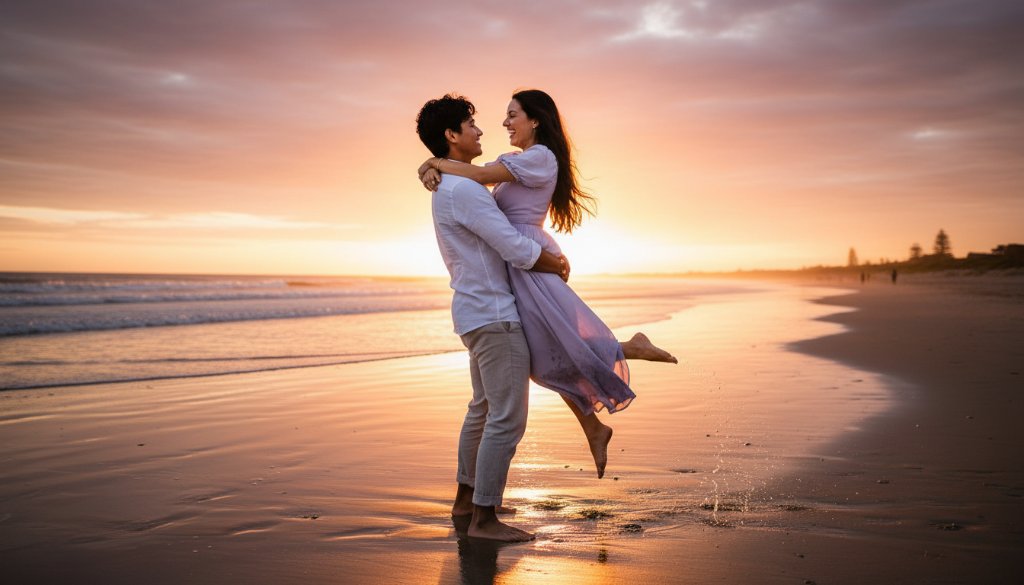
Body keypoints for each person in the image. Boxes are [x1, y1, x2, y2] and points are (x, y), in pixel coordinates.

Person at [418, 89, 676, 481]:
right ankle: (597, 416)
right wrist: (430, 165)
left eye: (512, 115)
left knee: (549, 349)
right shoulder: (515, 163)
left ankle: (623, 359)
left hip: (530, 258)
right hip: (520, 261)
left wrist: (432, 162)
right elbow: (476, 177)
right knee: (544, 352)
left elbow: (480, 176)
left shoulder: (538, 158)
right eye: (497, 118)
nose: (503, 123)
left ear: (535, 119)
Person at [415, 94, 570, 542]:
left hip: (474, 311)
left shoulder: (450, 184)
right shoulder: (465, 189)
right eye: (471, 125)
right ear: (452, 136)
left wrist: (431, 164)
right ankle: (485, 517)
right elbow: (515, 248)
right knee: (507, 416)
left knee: (482, 410)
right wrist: (554, 264)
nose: (481, 131)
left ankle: (467, 501)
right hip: (495, 316)